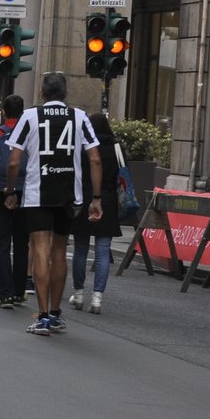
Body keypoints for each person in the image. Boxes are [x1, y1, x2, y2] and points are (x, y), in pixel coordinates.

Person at [5, 71, 103, 336]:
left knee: (40, 250)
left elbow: (14, 161)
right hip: (70, 195)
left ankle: (43, 315)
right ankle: (57, 312)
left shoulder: (30, 116)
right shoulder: (80, 117)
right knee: (60, 251)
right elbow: (95, 158)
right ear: (65, 94)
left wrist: (10, 190)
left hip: (38, 193)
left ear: (42, 93)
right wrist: (96, 198)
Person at [69, 111, 122, 314]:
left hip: (83, 198)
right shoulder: (116, 147)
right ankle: (97, 298)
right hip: (107, 199)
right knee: (102, 251)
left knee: (81, 248)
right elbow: (121, 174)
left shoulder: (83, 146)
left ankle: (79, 293)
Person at [0, 95, 30, 309]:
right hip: (26, 191)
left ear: (3, 111)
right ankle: (20, 290)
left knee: (1, 243)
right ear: (22, 111)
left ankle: (5, 294)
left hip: (0, 191)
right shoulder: (29, 133)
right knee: (22, 242)